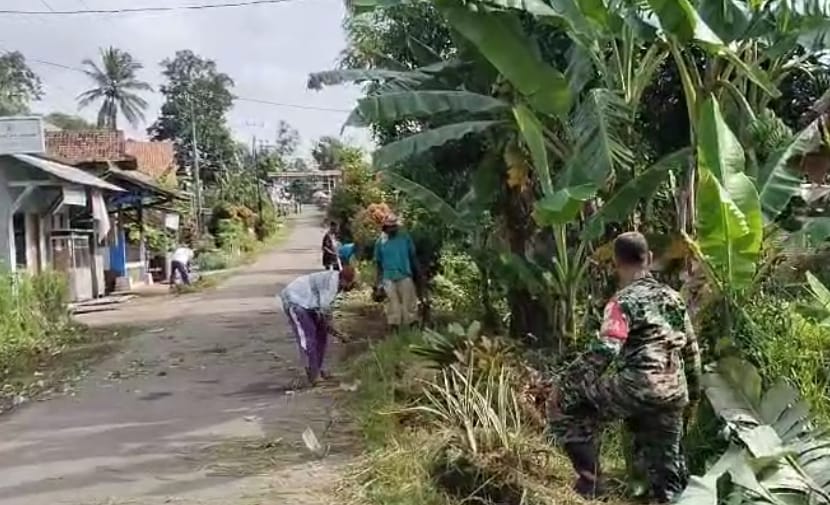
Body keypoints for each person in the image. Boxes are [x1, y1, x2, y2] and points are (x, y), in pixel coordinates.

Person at [547, 231, 701, 503]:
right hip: (673, 391)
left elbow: (608, 348)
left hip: (635, 387)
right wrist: (693, 395)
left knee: (561, 407)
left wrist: (568, 382)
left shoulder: (622, 302)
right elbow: (691, 350)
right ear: (649, 259)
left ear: (616, 263)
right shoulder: (674, 299)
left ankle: (590, 481)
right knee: (668, 472)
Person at [279, 265, 356, 386]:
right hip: (295, 300)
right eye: (350, 284)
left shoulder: (336, 282)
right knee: (308, 338)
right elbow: (326, 313)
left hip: (311, 303)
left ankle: (318, 369)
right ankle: (313, 373)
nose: (349, 288)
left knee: (322, 335)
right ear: (345, 281)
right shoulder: (332, 283)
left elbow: (324, 316)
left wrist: (335, 333)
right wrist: (339, 334)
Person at [374, 214, 420, 332]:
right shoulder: (381, 242)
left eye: (394, 226)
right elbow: (378, 263)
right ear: (385, 227)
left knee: (409, 304)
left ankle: (412, 331)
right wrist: (378, 283)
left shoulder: (404, 237)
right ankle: (395, 333)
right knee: (392, 307)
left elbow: (413, 256)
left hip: (404, 275)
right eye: (390, 227)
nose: (392, 229)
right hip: (388, 277)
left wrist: (418, 274)